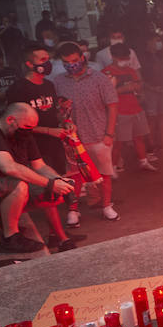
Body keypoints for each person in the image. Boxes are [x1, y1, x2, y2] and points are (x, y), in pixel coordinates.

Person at [0, 103, 78, 253]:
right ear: (10, 120)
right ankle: (11, 239)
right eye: (26, 127)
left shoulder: (22, 134)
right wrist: (50, 183)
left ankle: (59, 237)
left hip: (2, 188)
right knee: (20, 184)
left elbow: (39, 166)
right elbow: (10, 168)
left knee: (53, 192)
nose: (29, 132)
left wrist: (59, 181)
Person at [6, 42, 85, 230]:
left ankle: (60, 230)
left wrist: (65, 122)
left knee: (59, 178)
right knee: (46, 186)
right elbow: (15, 123)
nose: (46, 63)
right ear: (29, 64)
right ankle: (55, 233)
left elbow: (54, 112)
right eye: (42, 60)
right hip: (33, 145)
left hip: (54, 142)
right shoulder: (19, 88)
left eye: (48, 59)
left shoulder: (49, 84)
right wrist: (48, 131)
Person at [54, 41, 120, 221]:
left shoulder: (99, 79)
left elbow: (112, 106)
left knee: (104, 174)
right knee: (74, 177)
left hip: (99, 135)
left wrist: (109, 134)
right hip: (73, 139)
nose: (71, 65)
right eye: (66, 62)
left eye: (74, 60)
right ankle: (73, 210)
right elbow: (57, 108)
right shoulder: (59, 81)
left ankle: (106, 205)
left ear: (82, 58)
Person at [102, 44, 157, 173]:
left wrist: (131, 88)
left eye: (126, 58)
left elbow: (138, 85)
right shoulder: (106, 72)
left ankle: (143, 161)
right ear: (114, 57)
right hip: (119, 111)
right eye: (122, 58)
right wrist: (125, 89)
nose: (124, 61)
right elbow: (106, 94)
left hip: (136, 109)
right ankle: (113, 167)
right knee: (118, 142)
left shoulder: (130, 70)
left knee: (139, 137)